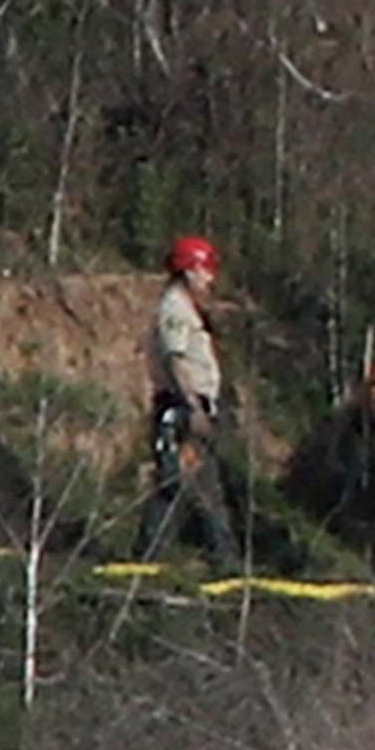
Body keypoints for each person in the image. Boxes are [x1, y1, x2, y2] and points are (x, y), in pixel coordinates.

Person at [134, 235, 239, 566]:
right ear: (189, 270)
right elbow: (176, 361)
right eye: (205, 271)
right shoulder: (175, 310)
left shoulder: (188, 310)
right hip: (179, 410)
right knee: (176, 485)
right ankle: (151, 560)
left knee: (200, 487)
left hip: (191, 407)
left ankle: (223, 560)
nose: (210, 279)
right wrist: (192, 407)